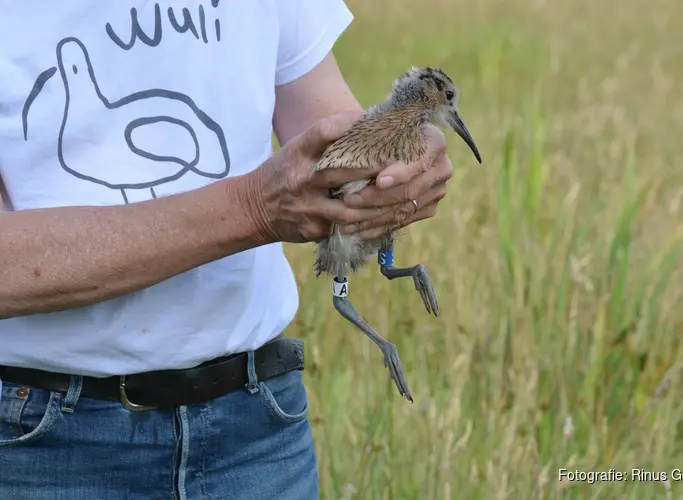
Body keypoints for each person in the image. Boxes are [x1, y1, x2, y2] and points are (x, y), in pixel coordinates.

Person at [0, 1, 454, 498]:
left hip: (258, 425)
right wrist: (254, 208)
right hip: (42, 444)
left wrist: (398, 173)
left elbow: (331, 135)